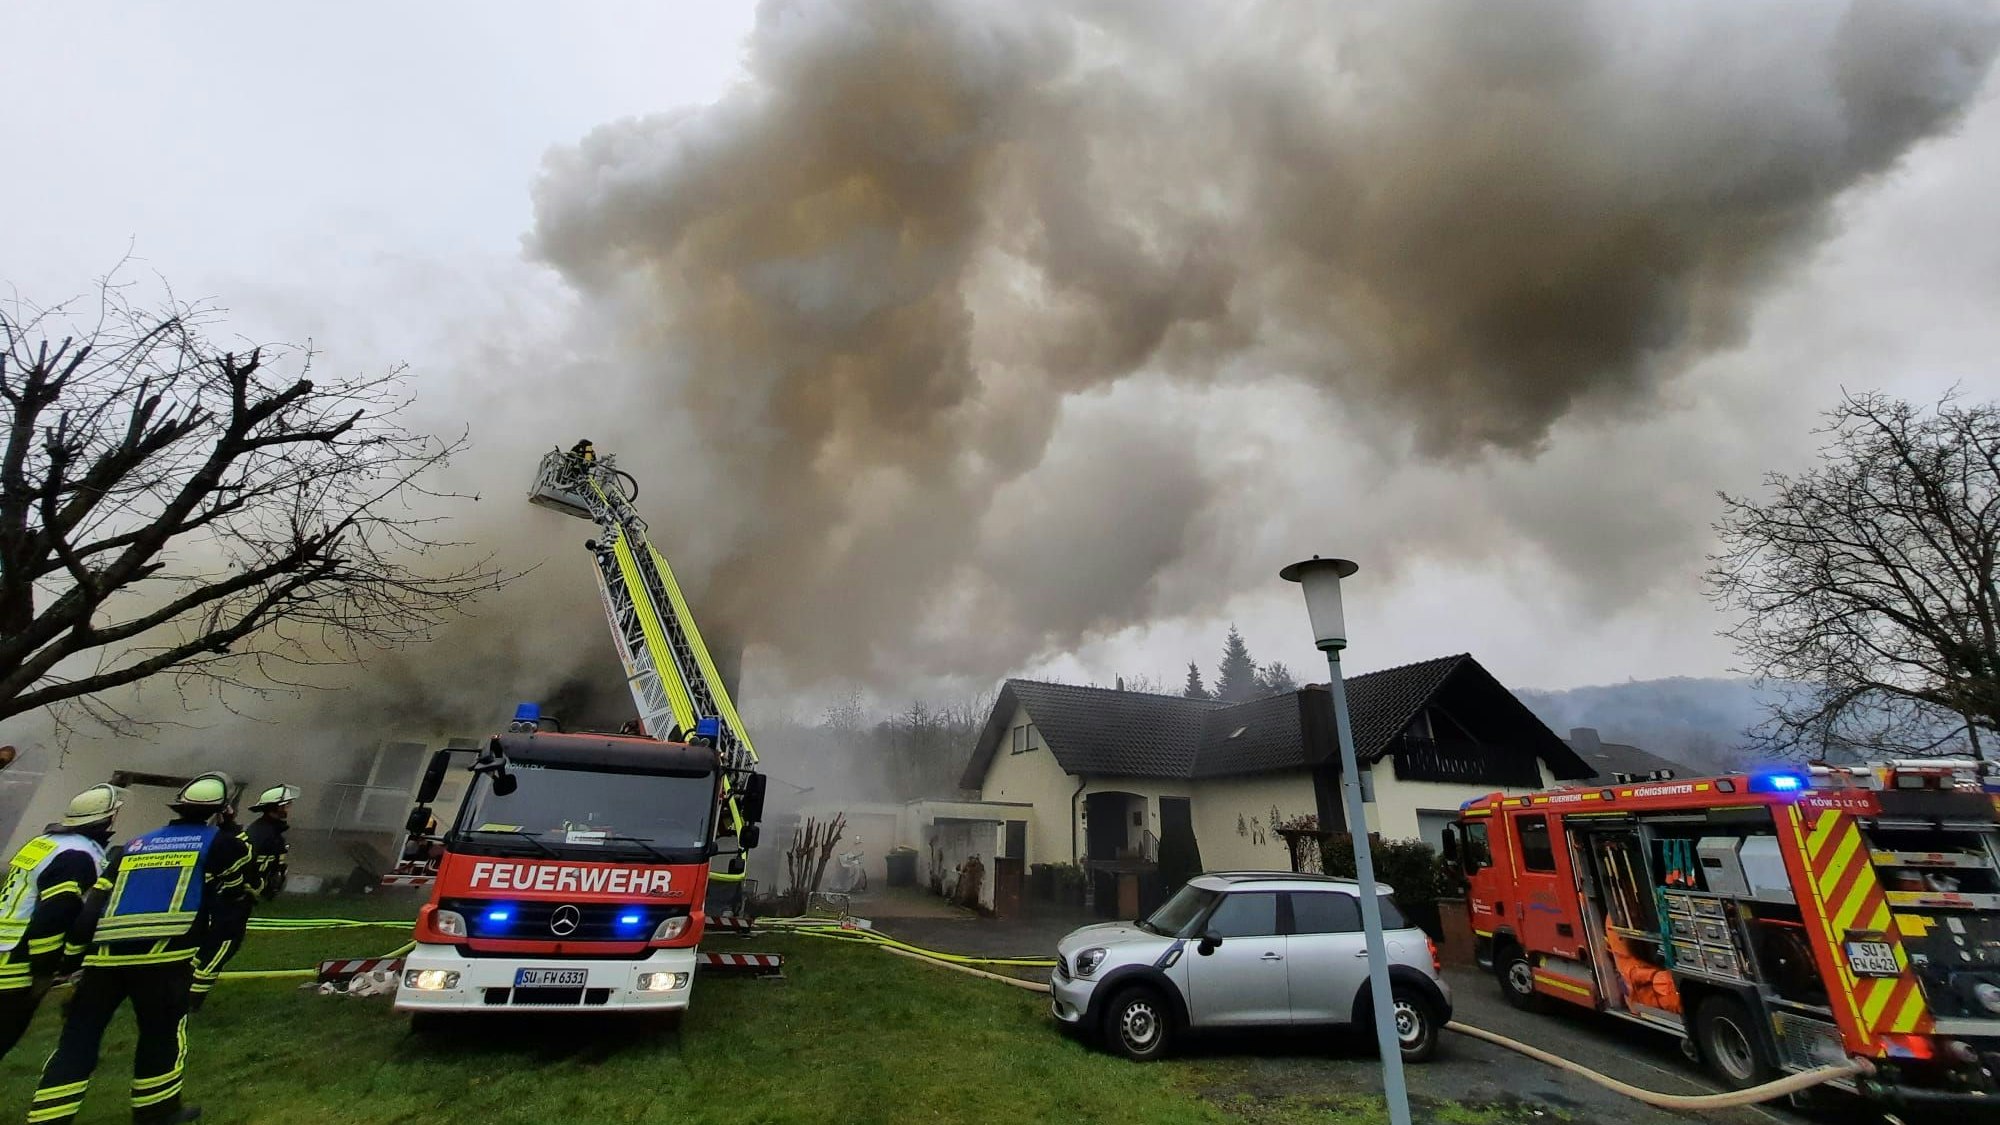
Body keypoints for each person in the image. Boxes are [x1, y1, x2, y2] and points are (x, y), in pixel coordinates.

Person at [29, 772, 251, 1125]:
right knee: (161, 1036)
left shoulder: (133, 845)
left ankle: (48, 1117)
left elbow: (92, 908)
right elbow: (239, 876)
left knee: (77, 1040)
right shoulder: (217, 842)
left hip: (104, 961)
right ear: (220, 810)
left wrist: (71, 960)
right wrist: (231, 826)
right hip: (164, 960)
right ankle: (157, 1114)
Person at [0, 784, 123, 1059]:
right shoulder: (77, 855)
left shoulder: (44, 843)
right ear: (107, 819)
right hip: (14, 967)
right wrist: (48, 971)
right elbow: (53, 917)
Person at [188, 784, 296, 1010]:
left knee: (208, 948)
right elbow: (243, 865)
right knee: (221, 948)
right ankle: (191, 1002)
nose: (290, 808)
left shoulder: (269, 832)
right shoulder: (261, 834)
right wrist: (255, 887)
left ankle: (181, 988)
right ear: (275, 808)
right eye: (287, 804)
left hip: (232, 900)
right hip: (232, 902)